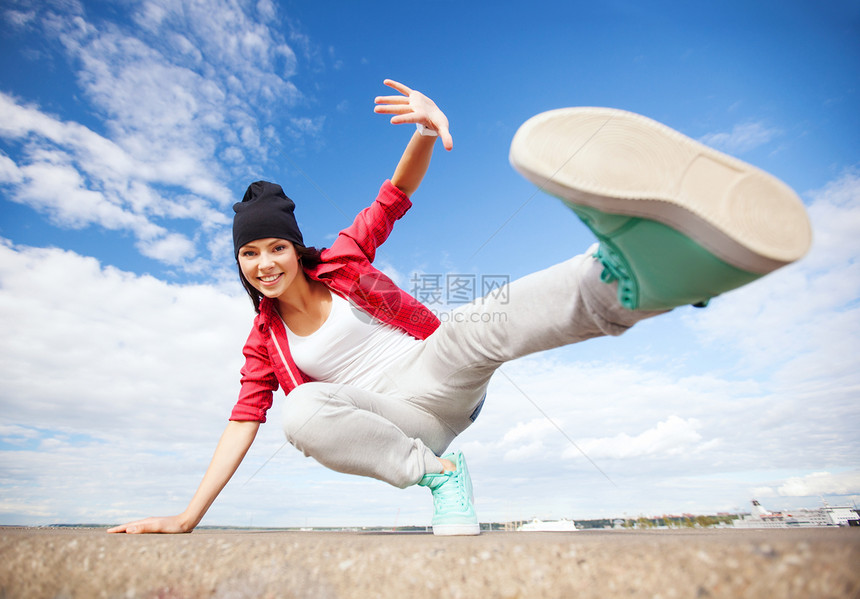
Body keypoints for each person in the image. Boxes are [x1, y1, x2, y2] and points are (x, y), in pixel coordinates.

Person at [108, 79, 811, 536]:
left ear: (295, 247)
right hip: (397, 425)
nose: (263, 262)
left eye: (274, 247)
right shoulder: (264, 344)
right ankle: (443, 478)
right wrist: (187, 516)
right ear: (240, 264)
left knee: (480, 321)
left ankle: (636, 276)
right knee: (301, 411)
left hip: (436, 372)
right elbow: (241, 426)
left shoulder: (345, 261)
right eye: (248, 253)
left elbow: (393, 197)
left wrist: (424, 127)